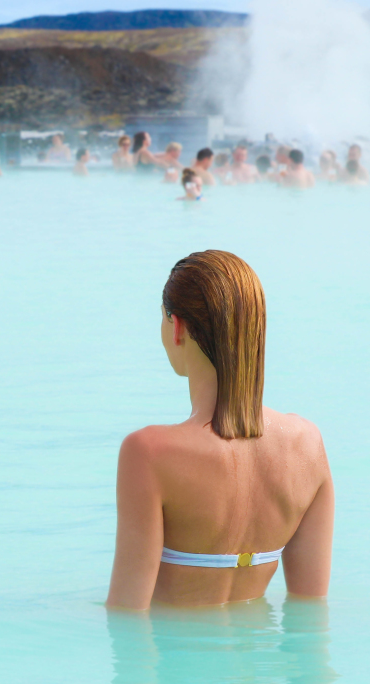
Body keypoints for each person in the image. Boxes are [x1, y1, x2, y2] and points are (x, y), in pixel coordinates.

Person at [105, 251, 333, 610]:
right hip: (258, 663)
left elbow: (126, 615)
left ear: (177, 327)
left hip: (178, 662)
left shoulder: (148, 453)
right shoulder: (308, 444)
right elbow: (311, 610)